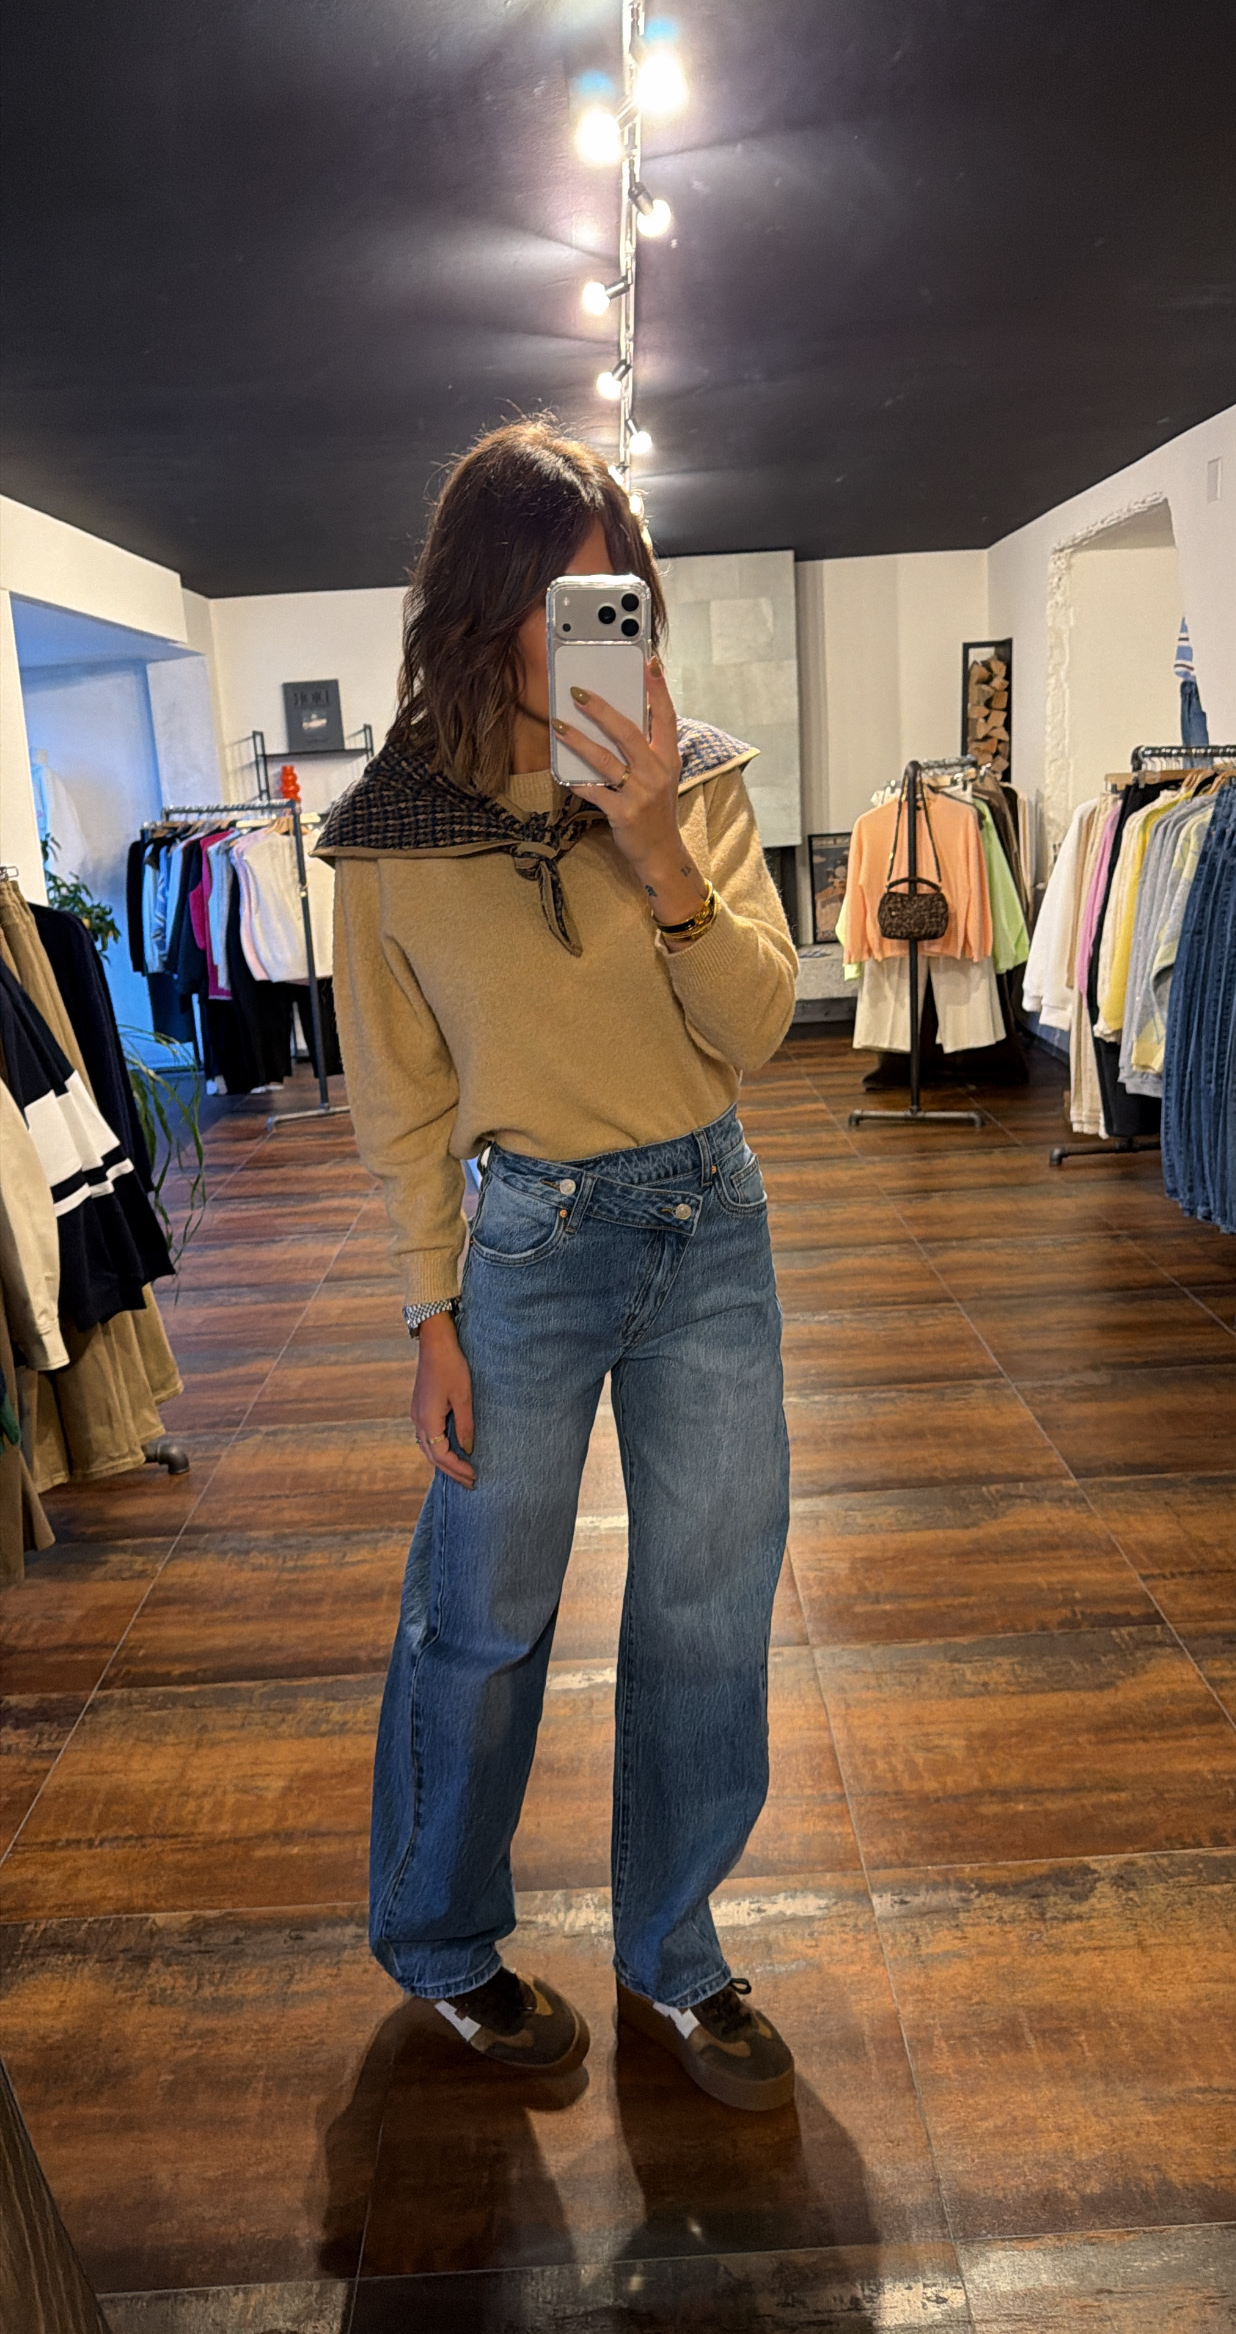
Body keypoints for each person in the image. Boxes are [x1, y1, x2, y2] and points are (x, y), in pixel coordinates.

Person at [318, 420, 798, 2112]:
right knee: (484, 1616)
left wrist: (658, 848)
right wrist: (428, 1310)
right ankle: (440, 1934)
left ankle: (674, 1941)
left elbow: (755, 1028)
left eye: (622, 596)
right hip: (523, 1243)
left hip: (709, 1220)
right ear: (484, 605)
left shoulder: (693, 779)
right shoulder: (394, 830)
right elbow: (399, 1095)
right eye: (565, 597)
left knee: (708, 1606)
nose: (605, 625)